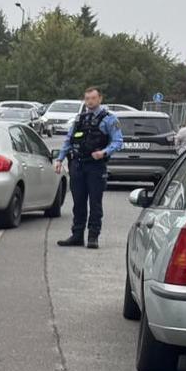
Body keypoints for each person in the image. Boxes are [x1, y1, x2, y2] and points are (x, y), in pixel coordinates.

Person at [54, 86, 123, 249]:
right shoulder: (79, 119)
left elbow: (118, 141)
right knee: (78, 202)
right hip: (77, 165)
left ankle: (93, 236)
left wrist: (104, 153)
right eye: (87, 99)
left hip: (96, 167)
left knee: (95, 203)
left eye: (93, 98)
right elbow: (68, 140)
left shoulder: (109, 119)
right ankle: (77, 235)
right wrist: (59, 159)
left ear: (100, 99)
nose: (90, 102)